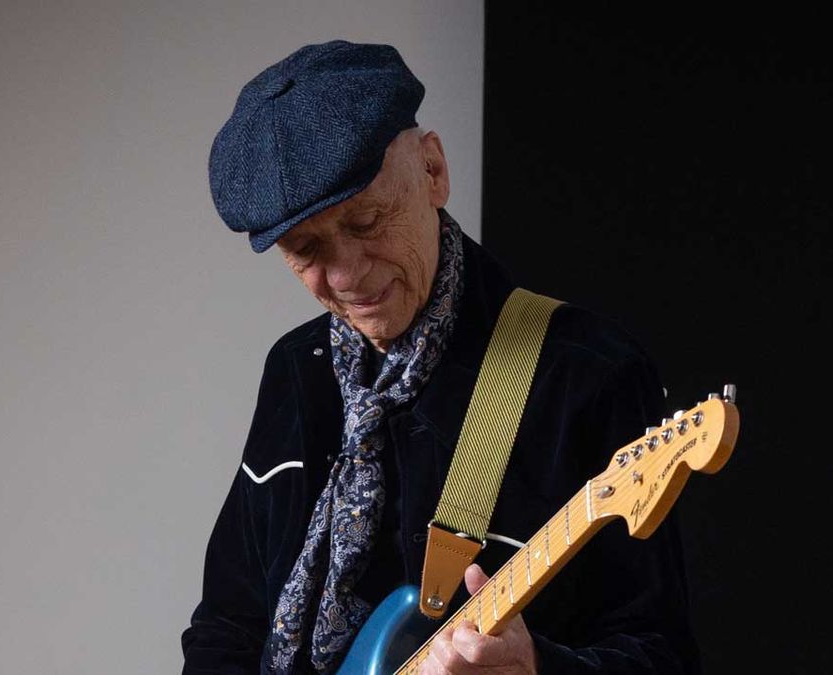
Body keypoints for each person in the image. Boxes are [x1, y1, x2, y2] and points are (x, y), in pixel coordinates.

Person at [182, 40, 699, 675]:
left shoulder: (588, 371)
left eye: (367, 221)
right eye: (306, 250)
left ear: (432, 171)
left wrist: (537, 667)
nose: (345, 276)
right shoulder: (296, 370)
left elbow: (662, 656)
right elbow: (227, 626)